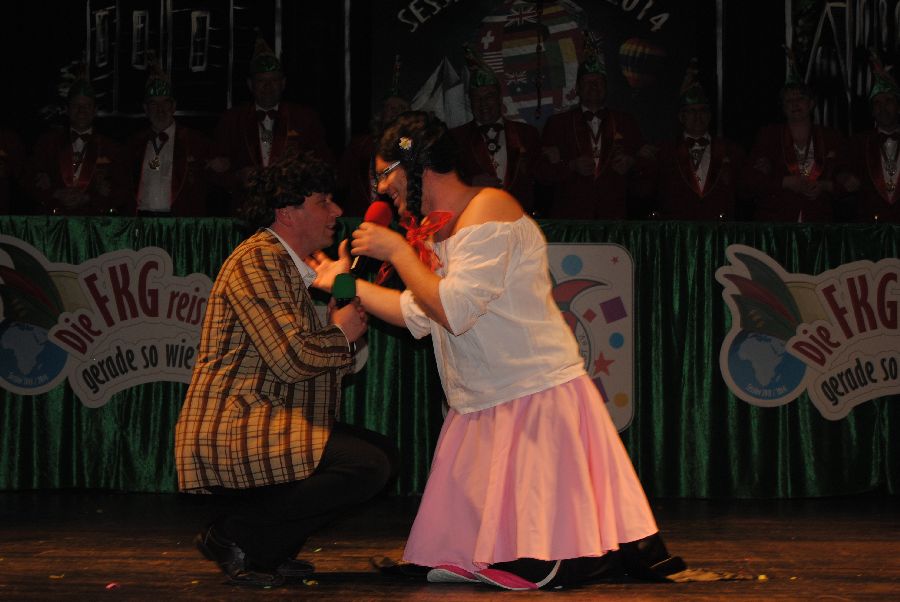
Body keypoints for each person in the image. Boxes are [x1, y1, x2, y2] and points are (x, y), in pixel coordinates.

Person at [321, 111, 685, 590]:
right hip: (483, 399)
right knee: (458, 559)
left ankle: (594, 557)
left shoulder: (489, 208)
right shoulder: (438, 229)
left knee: (539, 560)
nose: (381, 188)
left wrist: (399, 253)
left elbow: (453, 310)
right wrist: (342, 281)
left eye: (385, 174)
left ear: (417, 166)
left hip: (530, 395)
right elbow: (419, 313)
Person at [174, 151, 395, 587]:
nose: (336, 211)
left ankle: (267, 551)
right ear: (287, 212)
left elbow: (333, 363)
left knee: (384, 456)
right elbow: (293, 360)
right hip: (240, 423)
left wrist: (343, 294)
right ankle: (234, 535)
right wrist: (341, 334)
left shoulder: (291, 265)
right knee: (366, 465)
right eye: (323, 202)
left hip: (273, 416)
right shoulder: (257, 261)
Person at [213, 34, 334, 215]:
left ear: (283, 83)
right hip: (245, 211)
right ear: (250, 84)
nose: (268, 87)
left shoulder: (304, 118)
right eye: (261, 81)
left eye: (274, 80)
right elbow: (214, 171)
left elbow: (325, 165)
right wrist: (238, 177)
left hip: (294, 210)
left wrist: (298, 177)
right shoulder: (232, 120)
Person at [540, 32, 647, 219]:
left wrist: (631, 163)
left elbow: (646, 170)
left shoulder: (625, 122)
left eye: (598, 82)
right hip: (571, 217)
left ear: (607, 88)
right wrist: (571, 166)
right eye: (587, 82)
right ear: (577, 89)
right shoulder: (558, 123)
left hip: (614, 216)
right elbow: (542, 173)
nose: (594, 86)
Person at [743, 48, 855, 222]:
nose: (795, 104)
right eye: (789, 100)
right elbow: (749, 183)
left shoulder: (830, 137)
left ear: (811, 103)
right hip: (776, 223)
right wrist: (785, 182)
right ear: (783, 107)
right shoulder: (769, 136)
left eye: (800, 98)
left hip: (818, 223)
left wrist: (825, 186)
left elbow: (850, 183)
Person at [641, 59, 746, 220]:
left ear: (709, 116)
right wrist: (641, 162)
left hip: (718, 229)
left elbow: (745, 191)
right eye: (692, 111)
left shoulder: (731, 150)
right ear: (681, 117)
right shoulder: (665, 151)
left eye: (703, 111)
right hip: (678, 230)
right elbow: (644, 191)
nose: (698, 116)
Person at [449, 46, 548, 215]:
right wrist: (469, 182)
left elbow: (543, 176)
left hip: (519, 217)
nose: (483, 103)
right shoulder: (456, 137)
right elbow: (443, 180)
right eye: (477, 98)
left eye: (489, 96)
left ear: (499, 98)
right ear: (470, 102)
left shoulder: (526, 133)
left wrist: (556, 158)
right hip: (475, 217)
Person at [125, 58, 218, 217]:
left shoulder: (196, 142)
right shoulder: (133, 144)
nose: (160, 110)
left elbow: (218, 181)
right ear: (145, 109)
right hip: (141, 221)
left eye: (165, 103)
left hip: (180, 223)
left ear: (174, 106)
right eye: (154, 104)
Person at [30, 72, 130, 215]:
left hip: (95, 221)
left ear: (95, 110)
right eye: (76, 105)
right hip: (54, 221)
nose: (81, 110)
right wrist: (55, 193)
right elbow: (27, 179)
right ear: (67, 109)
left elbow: (124, 189)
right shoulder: (47, 143)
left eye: (87, 105)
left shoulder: (111, 148)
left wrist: (89, 197)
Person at [337, 54, 410, 217]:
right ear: (382, 113)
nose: (395, 113)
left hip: (396, 220)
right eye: (391, 108)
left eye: (401, 109)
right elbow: (341, 181)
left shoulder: (410, 146)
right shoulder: (360, 145)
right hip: (359, 217)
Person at [843, 50, 900, 222]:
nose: (883, 108)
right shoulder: (859, 143)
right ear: (872, 111)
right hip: (871, 229)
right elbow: (840, 171)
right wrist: (844, 178)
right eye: (877, 103)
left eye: (888, 101)